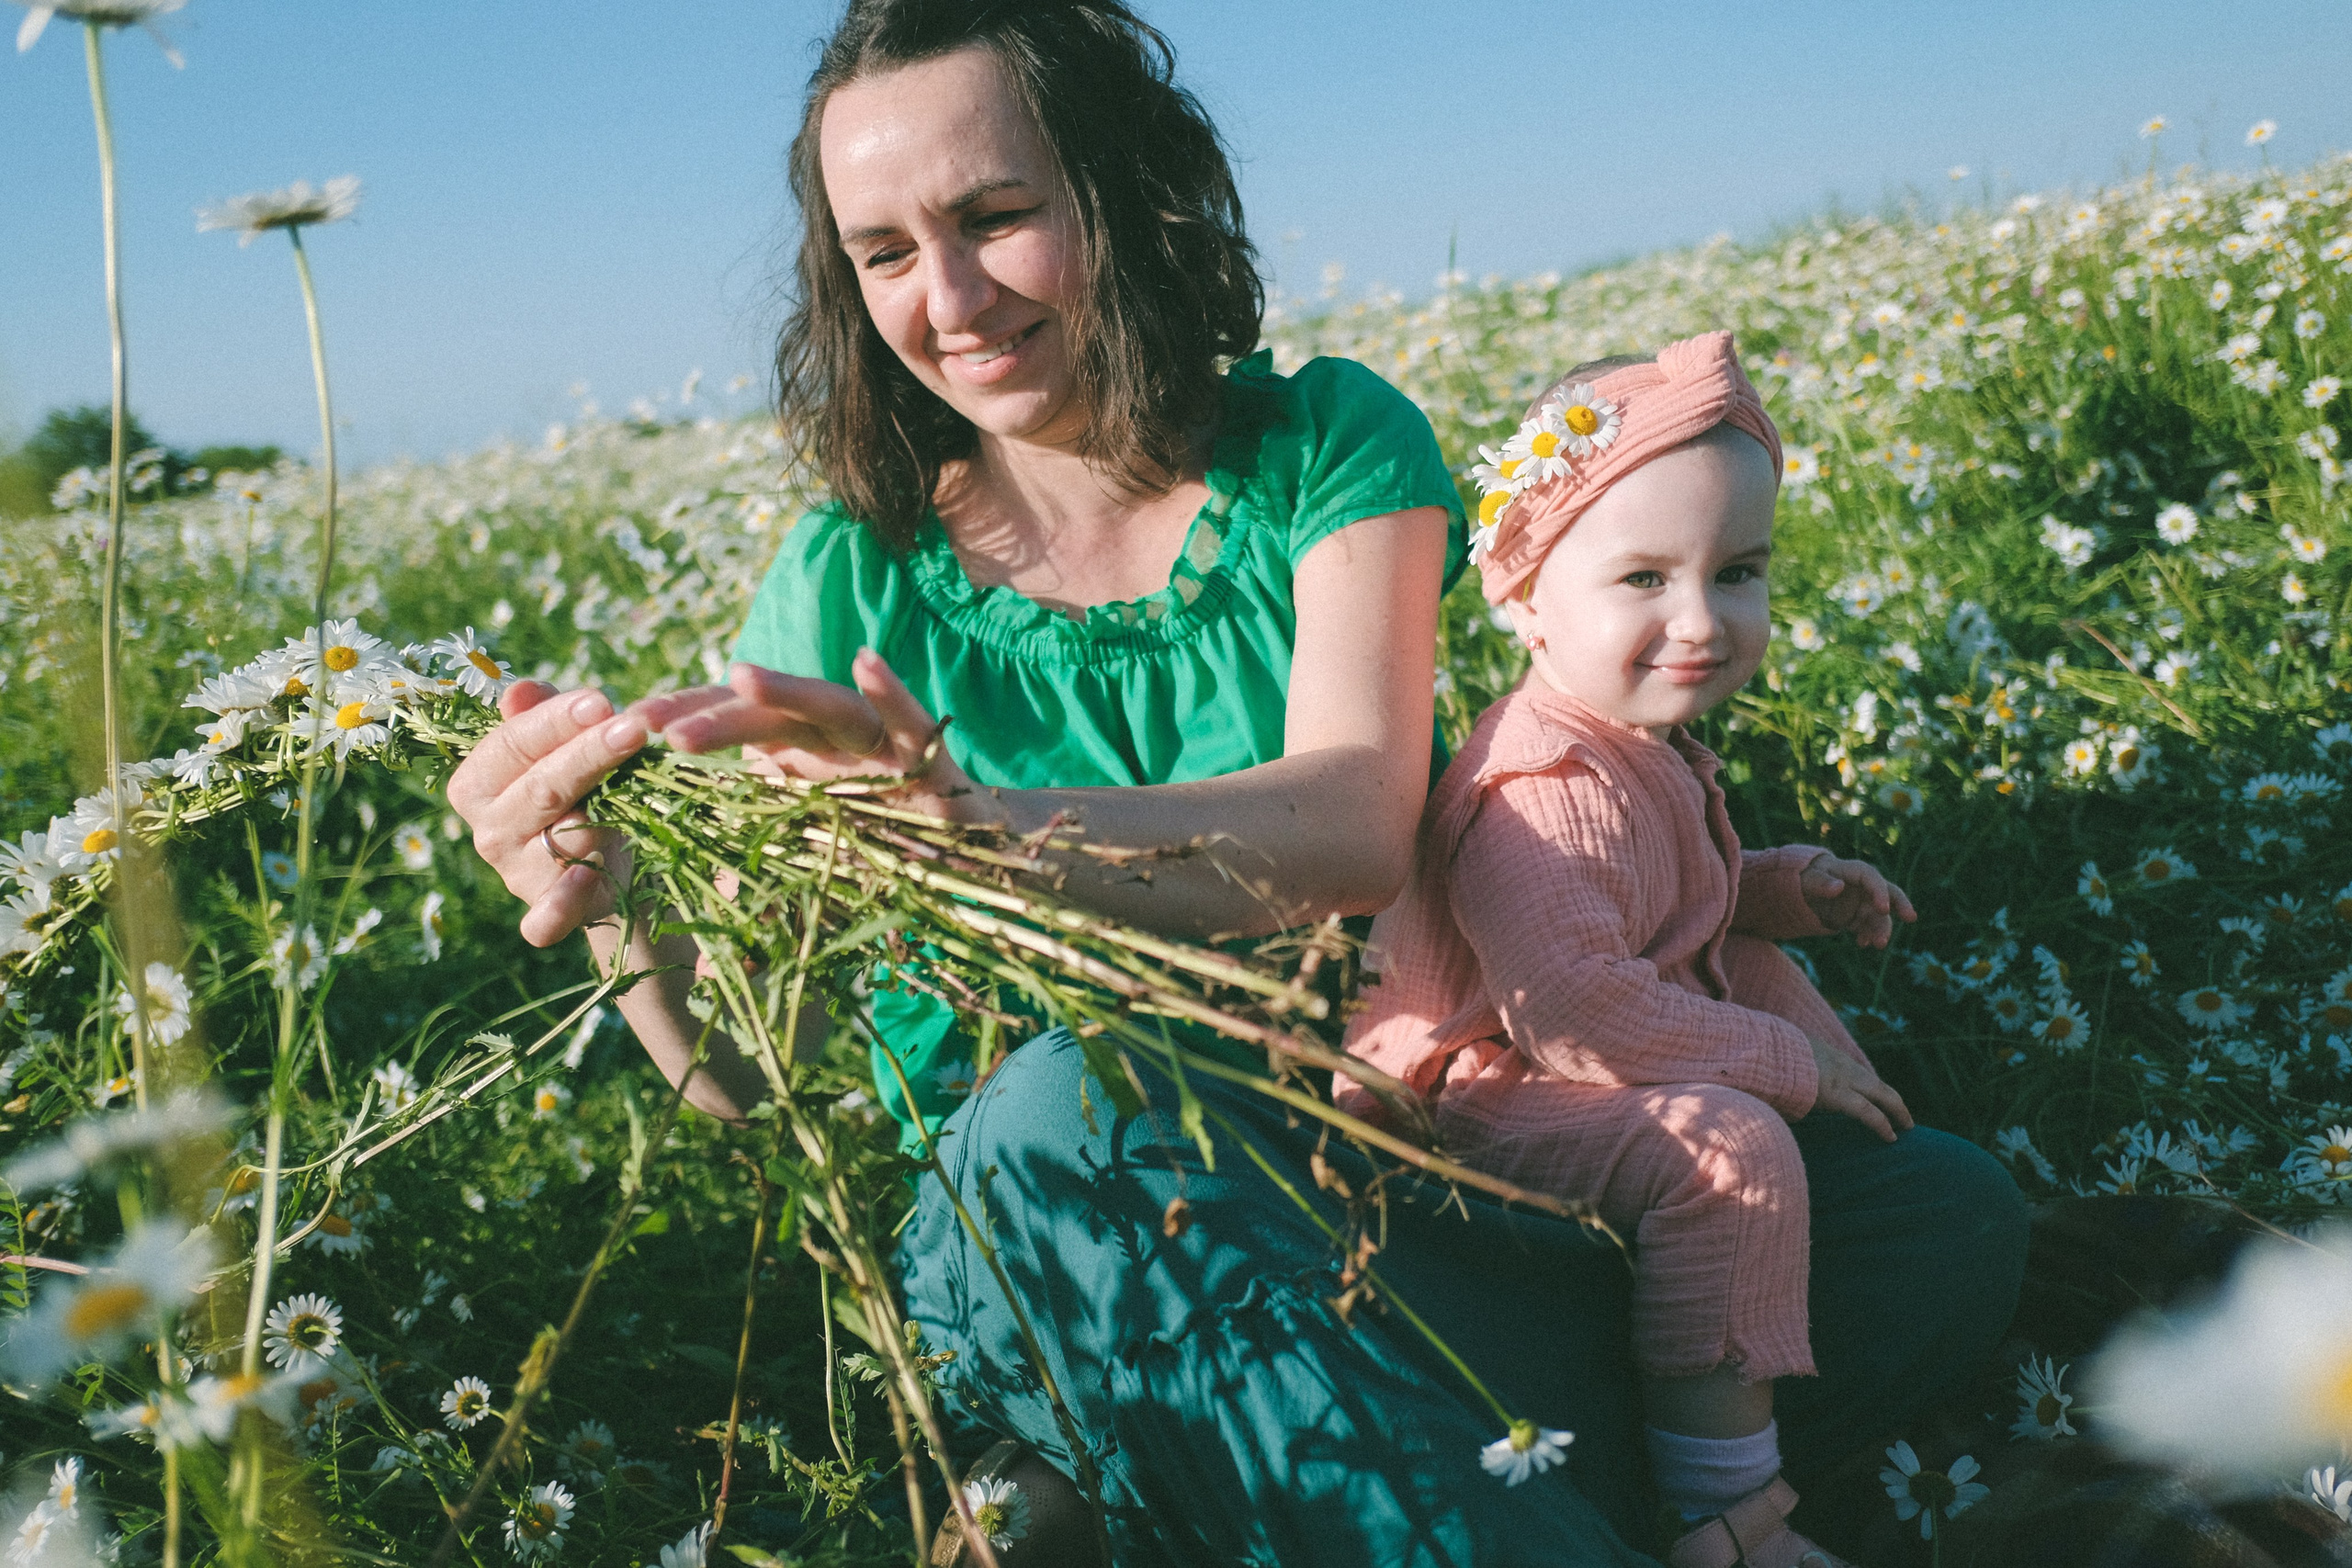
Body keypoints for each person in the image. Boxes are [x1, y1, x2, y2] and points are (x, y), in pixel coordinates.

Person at [444, 4, 2030, 1562]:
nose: (951, 297)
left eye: (995, 217)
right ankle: (1424, 1490)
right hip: (1076, 1215)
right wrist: (619, 902)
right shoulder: (845, 581)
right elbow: (749, 1071)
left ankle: (1195, 1484)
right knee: (1073, 1106)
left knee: (1937, 1218)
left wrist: (975, 834)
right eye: (884, 253)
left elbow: (1350, 825)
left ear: (1127, 194)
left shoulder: (1325, 448)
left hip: (1398, 1170)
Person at [1347, 332, 1984, 1568]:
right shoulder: (1543, 783)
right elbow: (1576, 1007)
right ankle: (1721, 1515)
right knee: (1726, 1149)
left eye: (1737, 572)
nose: (1700, 620)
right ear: (1523, 595)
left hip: (1558, 1064)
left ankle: (1823, 1215)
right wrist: (1786, 1068)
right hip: (1466, 1111)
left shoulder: (1633, 740)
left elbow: (1662, 900)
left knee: (1760, 978)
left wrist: (1786, 890)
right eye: (1643, 577)